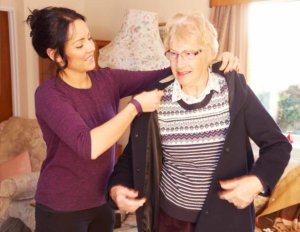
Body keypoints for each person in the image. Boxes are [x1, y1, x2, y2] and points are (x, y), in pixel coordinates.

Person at [26, 6, 239, 232]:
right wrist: (135, 107)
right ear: (55, 55)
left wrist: (213, 61)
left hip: (101, 203)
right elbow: (88, 145)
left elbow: (165, 73)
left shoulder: (107, 79)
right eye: (80, 44)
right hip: (61, 209)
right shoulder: (49, 95)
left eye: (88, 38)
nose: (91, 47)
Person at [107, 11, 292, 232]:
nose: (179, 62)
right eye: (173, 53)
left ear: (208, 53)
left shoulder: (233, 90)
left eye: (189, 53)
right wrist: (116, 188)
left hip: (226, 220)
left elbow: (277, 144)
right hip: (170, 221)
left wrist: (258, 181)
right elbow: (133, 154)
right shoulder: (155, 99)